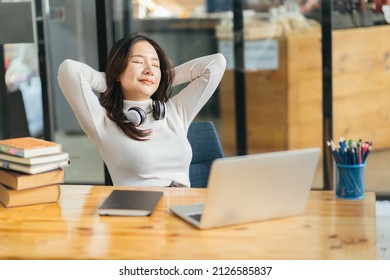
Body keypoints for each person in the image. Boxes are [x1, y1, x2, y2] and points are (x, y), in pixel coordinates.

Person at [57, 33, 226, 187]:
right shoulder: (103, 123)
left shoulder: (175, 112)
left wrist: (162, 78)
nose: (149, 70)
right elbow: (69, 70)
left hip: (183, 209)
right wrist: (111, 80)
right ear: (118, 69)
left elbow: (216, 64)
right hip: (140, 215)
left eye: (155, 65)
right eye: (138, 62)